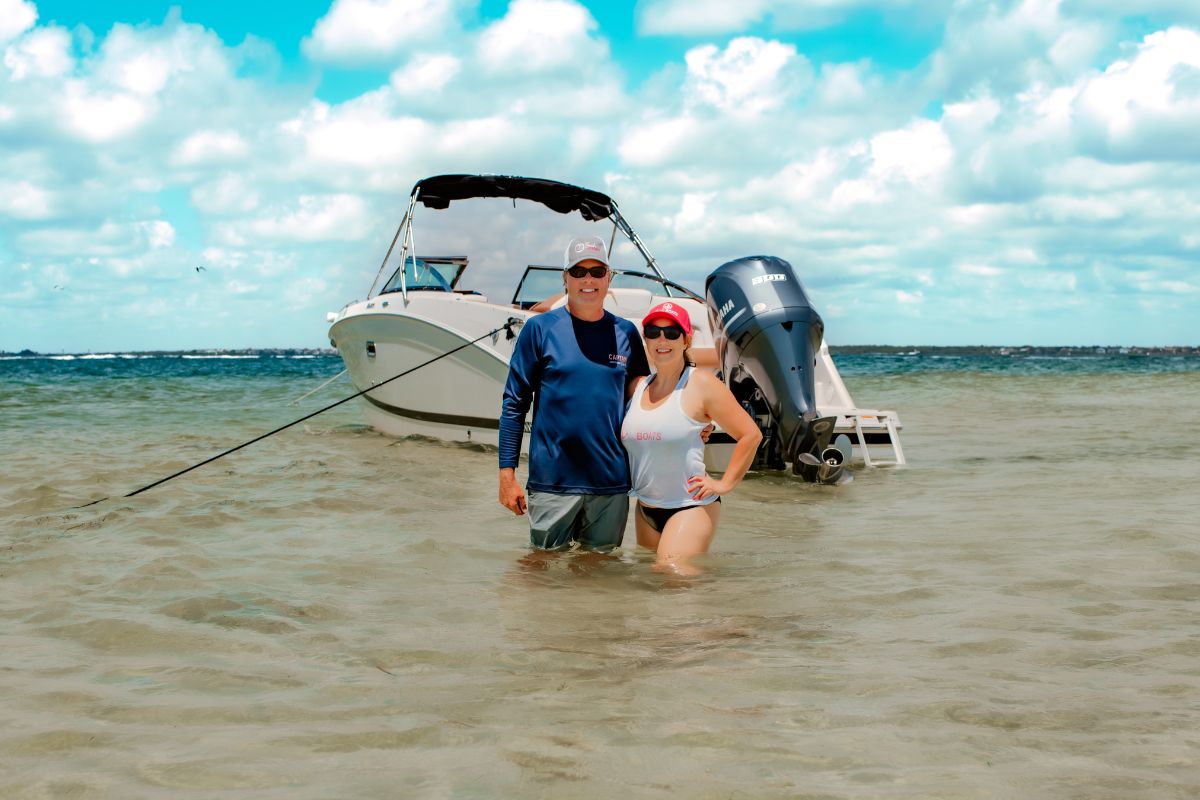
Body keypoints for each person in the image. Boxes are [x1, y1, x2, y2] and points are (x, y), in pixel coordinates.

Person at [499, 235, 650, 551]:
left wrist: (692, 420)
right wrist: (507, 477)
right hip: (552, 482)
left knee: (600, 578)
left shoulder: (627, 333)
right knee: (541, 573)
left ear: (608, 278)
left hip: (611, 485)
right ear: (565, 278)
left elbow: (647, 399)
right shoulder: (539, 329)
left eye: (597, 271)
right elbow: (514, 403)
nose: (588, 279)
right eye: (579, 271)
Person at [621, 301, 763, 574]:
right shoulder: (637, 387)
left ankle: (723, 617)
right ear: (645, 339)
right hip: (645, 508)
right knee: (654, 588)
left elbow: (750, 435)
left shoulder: (702, 384)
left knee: (672, 576)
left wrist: (725, 483)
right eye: (653, 332)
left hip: (690, 506)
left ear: (686, 340)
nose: (662, 339)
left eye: (672, 333)